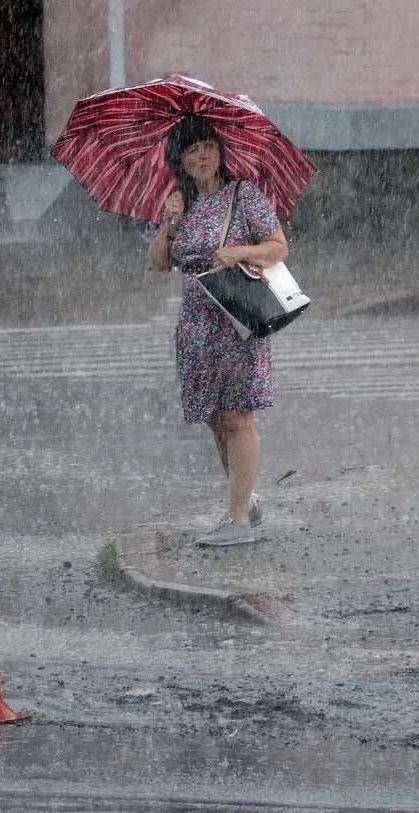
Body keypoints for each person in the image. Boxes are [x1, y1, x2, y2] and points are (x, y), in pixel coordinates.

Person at [147, 115, 290, 547]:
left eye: (208, 145)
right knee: (215, 419)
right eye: (192, 150)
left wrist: (239, 251)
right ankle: (244, 500)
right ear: (181, 161)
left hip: (236, 319)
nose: (203, 156)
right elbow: (158, 264)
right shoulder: (179, 205)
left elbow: (279, 247)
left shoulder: (243, 195)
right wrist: (170, 223)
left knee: (238, 416)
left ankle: (238, 521)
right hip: (196, 326)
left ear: (221, 150)